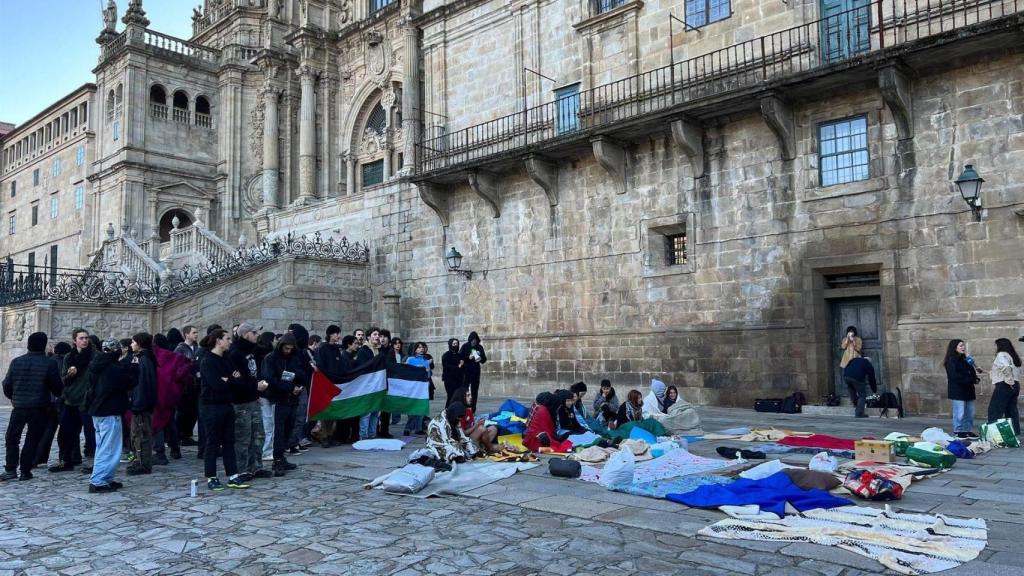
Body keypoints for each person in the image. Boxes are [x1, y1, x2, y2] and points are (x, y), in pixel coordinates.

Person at [2, 332, 63, 481]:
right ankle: (25, 470)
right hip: (39, 406)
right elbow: (56, 387)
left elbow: (7, 384)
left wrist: (14, 397)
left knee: (12, 437)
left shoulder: (17, 361)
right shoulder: (49, 363)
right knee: (32, 438)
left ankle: (10, 468)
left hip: (19, 406)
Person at [199, 329, 252, 490]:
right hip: (212, 407)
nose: (230, 341)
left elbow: (239, 381)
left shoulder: (226, 360)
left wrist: (228, 380)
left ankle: (233, 475)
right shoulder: (207, 361)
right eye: (227, 338)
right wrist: (230, 380)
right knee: (212, 443)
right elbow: (216, 385)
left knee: (230, 441)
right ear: (218, 341)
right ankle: (211, 477)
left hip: (227, 405)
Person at [84, 339, 135, 493]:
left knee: (103, 447)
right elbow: (129, 381)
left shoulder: (97, 365)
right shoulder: (112, 368)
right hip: (109, 411)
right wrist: (133, 365)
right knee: (110, 449)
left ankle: (105, 478)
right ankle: (98, 481)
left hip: (98, 411)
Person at [228, 322, 271, 480]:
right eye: (254, 333)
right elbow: (236, 380)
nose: (257, 335)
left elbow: (252, 373)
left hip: (253, 399)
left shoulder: (251, 351)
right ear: (246, 334)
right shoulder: (235, 353)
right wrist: (255, 386)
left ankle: (256, 466)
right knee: (243, 437)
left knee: (258, 434)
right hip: (241, 402)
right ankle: (242, 469)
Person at [51, 328, 95, 473]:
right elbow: (63, 380)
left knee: (91, 434)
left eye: (86, 338)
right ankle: (66, 460)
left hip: (88, 400)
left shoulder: (95, 356)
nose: (84, 341)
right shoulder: (68, 357)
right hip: (70, 400)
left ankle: (95, 463)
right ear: (74, 340)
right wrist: (70, 375)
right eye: (81, 338)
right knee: (65, 432)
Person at [261, 333, 305, 476]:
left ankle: (282, 456)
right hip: (278, 398)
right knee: (277, 431)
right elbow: (270, 379)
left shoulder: (294, 358)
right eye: (286, 348)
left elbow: (302, 373)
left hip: (292, 398)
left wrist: (297, 385)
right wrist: (289, 387)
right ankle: (277, 459)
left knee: (288, 429)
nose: (288, 351)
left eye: (290, 349)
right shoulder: (271, 359)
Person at [151, 341, 191, 466]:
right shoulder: (169, 358)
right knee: (169, 422)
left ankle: (160, 453)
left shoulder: (156, 358)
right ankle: (175, 449)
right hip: (170, 395)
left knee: (158, 424)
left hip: (160, 396)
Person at [36, 341, 72, 468]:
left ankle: (39, 458)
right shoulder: (68, 362)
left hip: (49, 400)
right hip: (63, 399)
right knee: (66, 430)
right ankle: (67, 457)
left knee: (48, 430)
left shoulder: (49, 361)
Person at [126, 332, 158, 476]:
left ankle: (143, 464)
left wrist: (138, 402)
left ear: (139, 343)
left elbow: (143, 383)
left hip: (142, 403)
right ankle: (139, 461)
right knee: (137, 434)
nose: (131, 345)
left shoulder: (144, 359)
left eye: (133, 342)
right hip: (141, 402)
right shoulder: (143, 358)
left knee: (141, 434)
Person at [314, 325, 347, 447]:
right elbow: (320, 366)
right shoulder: (322, 348)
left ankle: (330, 435)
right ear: (330, 335)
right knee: (325, 411)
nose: (338, 336)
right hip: (325, 384)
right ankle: (324, 436)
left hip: (336, 384)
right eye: (336, 334)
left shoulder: (337, 349)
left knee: (333, 411)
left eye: (339, 333)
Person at [286, 323, 316, 453]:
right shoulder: (289, 352)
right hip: (292, 387)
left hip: (302, 385)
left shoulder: (302, 352)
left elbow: (307, 366)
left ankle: (295, 441)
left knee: (300, 415)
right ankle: (290, 443)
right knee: (294, 416)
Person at [945, 339, 980, 439]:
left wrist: (975, 378)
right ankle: (958, 430)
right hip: (958, 390)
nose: (963, 347)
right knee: (960, 412)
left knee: (970, 412)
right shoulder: (951, 360)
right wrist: (969, 379)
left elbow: (972, 371)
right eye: (960, 346)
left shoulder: (966, 359)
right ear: (954, 348)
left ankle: (967, 430)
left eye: (963, 345)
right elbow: (954, 376)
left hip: (969, 389)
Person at [174, 325, 202, 446]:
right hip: (185, 385)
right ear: (187, 334)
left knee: (193, 411)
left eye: (197, 332)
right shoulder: (180, 349)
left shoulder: (197, 348)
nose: (196, 334)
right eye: (194, 332)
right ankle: (180, 435)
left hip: (196, 384)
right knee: (183, 411)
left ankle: (187, 435)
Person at [988, 338, 1021, 435]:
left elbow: (1006, 368)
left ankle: (993, 434)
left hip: (1005, 385)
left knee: (995, 410)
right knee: (1011, 410)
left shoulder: (1001, 354)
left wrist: (1009, 382)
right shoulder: (1013, 355)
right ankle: (1014, 432)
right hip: (1015, 385)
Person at [455, 386, 499, 453]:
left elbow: (472, 425)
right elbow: (463, 433)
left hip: (474, 436)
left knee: (493, 428)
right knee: (482, 429)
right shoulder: (459, 412)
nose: (471, 397)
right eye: (468, 395)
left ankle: (481, 447)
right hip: (465, 439)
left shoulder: (469, 411)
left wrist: (479, 423)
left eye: (470, 395)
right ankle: (490, 448)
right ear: (462, 397)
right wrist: (477, 425)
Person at [356, 328, 382, 440]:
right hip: (367, 385)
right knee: (366, 412)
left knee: (375, 412)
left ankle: (372, 435)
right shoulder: (364, 350)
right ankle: (363, 436)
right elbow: (363, 367)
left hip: (377, 385)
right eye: (375, 334)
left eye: (378, 335)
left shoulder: (379, 350)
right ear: (368, 337)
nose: (377, 337)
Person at [255, 331, 277, 461]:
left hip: (265, 393)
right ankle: (266, 450)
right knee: (268, 423)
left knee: (268, 423)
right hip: (264, 393)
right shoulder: (265, 356)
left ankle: (268, 449)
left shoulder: (262, 355)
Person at [403, 342, 432, 436]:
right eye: (419, 347)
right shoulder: (410, 359)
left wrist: (428, 371)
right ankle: (408, 428)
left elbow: (428, 374)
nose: (421, 349)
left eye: (422, 347)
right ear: (415, 349)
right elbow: (406, 371)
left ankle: (418, 428)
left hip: (423, 387)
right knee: (412, 408)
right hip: (413, 387)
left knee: (421, 407)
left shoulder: (425, 360)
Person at [459, 332, 486, 412]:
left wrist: (479, 356)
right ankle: (464, 408)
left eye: (475, 340)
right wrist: (468, 357)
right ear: (470, 340)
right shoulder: (465, 346)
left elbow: (484, 360)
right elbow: (460, 357)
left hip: (475, 371)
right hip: (466, 371)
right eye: (472, 340)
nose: (474, 341)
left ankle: (473, 409)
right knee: (465, 391)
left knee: (474, 391)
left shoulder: (479, 347)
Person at [441, 338, 463, 407]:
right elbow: (447, 366)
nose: (456, 345)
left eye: (457, 344)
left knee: (458, 397)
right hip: (449, 379)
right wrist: (458, 366)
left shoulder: (459, 355)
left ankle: (456, 413)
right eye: (454, 344)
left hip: (458, 379)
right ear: (450, 344)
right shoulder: (446, 355)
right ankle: (447, 412)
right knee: (451, 396)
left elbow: (463, 367)